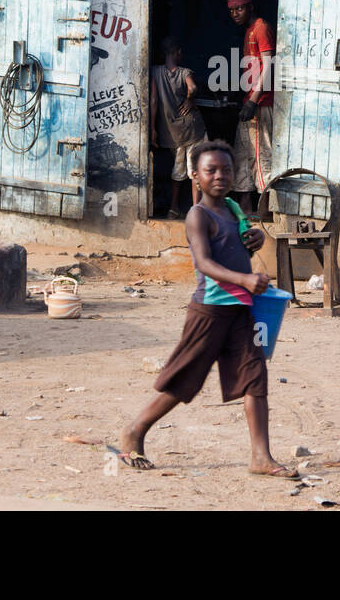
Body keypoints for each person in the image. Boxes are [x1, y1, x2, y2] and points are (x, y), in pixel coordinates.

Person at [118, 140, 296, 478]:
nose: (220, 176)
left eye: (226, 170)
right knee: (186, 379)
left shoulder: (233, 209)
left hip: (242, 311)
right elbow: (203, 262)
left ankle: (261, 457)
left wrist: (254, 237)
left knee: (255, 378)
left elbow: (240, 240)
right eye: (210, 170)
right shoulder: (197, 215)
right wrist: (244, 278)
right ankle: (135, 430)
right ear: (195, 176)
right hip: (210, 311)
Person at [224, 0, 273, 213]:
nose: (235, 14)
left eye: (240, 9)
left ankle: (264, 213)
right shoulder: (249, 30)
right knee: (242, 156)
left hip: (261, 104)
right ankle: (245, 210)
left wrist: (253, 101)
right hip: (250, 101)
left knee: (261, 157)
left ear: (250, 6)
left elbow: (269, 66)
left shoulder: (260, 27)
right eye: (232, 10)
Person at [150, 36, 207, 217]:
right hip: (192, 130)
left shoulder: (155, 72)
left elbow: (153, 101)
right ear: (178, 53)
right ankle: (196, 209)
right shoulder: (184, 72)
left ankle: (173, 209)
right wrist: (190, 100)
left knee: (178, 170)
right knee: (195, 170)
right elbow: (193, 88)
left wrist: (152, 128)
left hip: (172, 133)